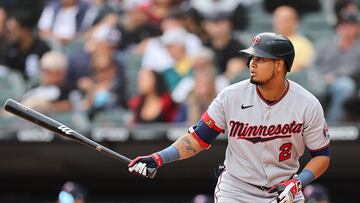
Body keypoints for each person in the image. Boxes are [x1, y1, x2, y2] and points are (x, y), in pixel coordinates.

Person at [128, 32, 331, 203]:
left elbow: (322, 155)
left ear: (279, 65)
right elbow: (197, 139)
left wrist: (299, 181)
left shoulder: (307, 103)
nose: (252, 63)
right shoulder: (231, 96)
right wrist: (158, 157)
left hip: (285, 189)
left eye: (260, 59)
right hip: (237, 190)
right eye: (251, 58)